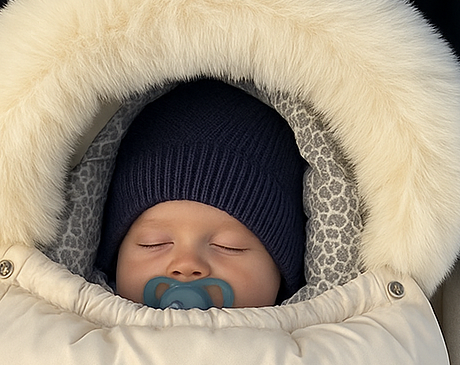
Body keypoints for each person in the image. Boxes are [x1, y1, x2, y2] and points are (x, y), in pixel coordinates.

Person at [95, 79, 306, 309]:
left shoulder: (319, 330)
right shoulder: (82, 322)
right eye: (153, 243)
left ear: (281, 273)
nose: (186, 265)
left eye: (229, 246)